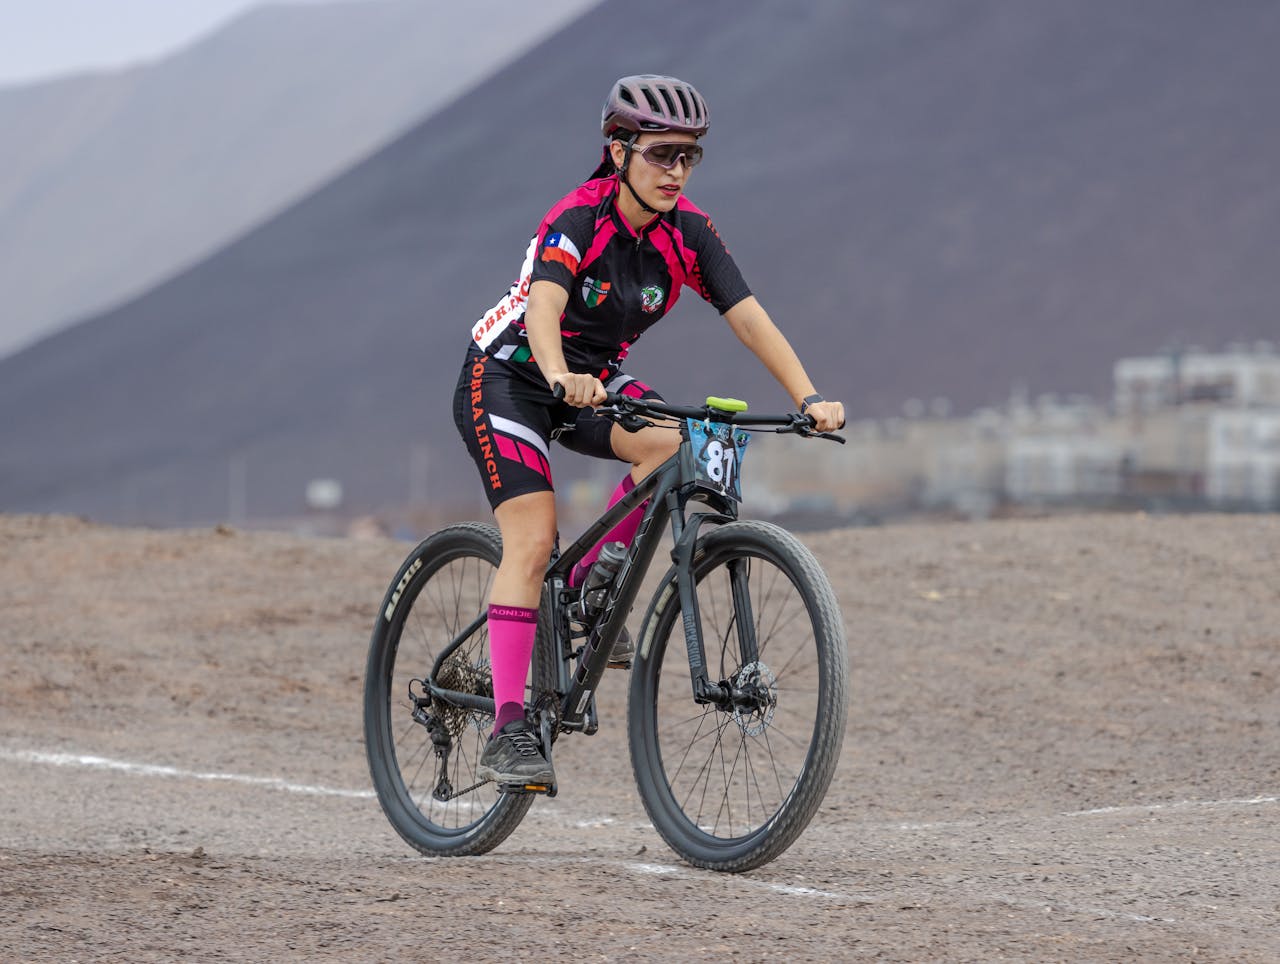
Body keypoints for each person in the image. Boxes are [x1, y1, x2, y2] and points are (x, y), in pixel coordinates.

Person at [453, 74, 845, 786]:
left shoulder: (688, 232)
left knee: (676, 443)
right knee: (532, 540)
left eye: (689, 156)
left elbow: (749, 318)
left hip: (593, 379)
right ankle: (508, 728)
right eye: (662, 153)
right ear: (619, 150)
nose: (676, 170)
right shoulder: (579, 217)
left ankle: (587, 588)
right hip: (510, 375)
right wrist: (558, 372)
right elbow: (543, 309)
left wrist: (809, 395)